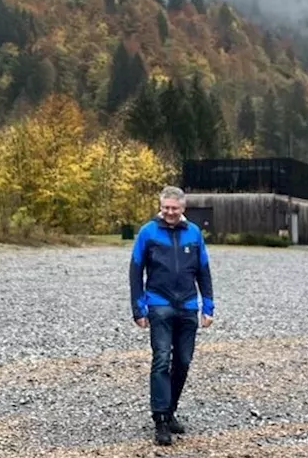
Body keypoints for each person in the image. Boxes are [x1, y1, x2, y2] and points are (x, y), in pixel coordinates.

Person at [128, 185, 214, 446]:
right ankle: (161, 419)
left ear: (183, 208)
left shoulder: (194, 233)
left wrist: (208, 306)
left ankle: (170, 408)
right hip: (159, 305)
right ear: (160, 206)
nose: (169, 212)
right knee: (162, 359)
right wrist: (138, 308)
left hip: (188, 306)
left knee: (184, 361)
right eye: (165, 207)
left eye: (174, 208)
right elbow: (135, 271)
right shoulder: (148, 232)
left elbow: (204, 271)